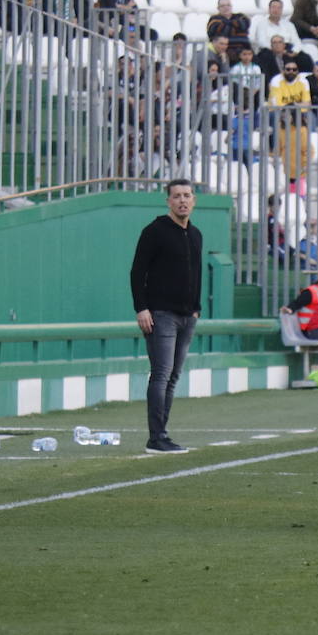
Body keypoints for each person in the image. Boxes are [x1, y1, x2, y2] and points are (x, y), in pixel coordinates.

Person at [129, 179, 201, 454]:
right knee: (160, 374)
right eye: (177, 196)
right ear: (168, 201)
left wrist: (195, 308)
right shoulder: (155, 231)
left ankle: (163, 434)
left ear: (194, 200)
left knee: (172, 376)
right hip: (161, 314)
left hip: (187, 316)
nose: (182, 200)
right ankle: (156, 437)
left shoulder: (195, 234)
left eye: (187, 195)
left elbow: (195, 273)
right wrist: (141, 308)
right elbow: (137, 272)